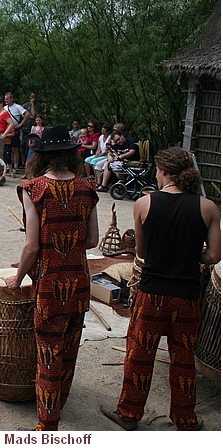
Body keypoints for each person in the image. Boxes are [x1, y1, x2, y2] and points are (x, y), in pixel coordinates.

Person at [100, 146, 220, 432]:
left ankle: (129, 414)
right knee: (182, 359)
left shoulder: (144, 204)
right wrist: (192, 255)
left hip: (152, 294)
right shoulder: (208, 207)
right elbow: (214, 256)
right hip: (187, 297)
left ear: (164, 172)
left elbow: (141, 253)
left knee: (139, 355)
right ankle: (185, 419)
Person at [5, 124, 99, 431]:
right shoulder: (88, 190)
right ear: (71, 154)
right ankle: (58, 402)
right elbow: (93, 240)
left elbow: (32, 246)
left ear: (42, 155)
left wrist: (18, 277)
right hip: (79, 283)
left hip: (48, 286)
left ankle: (47, 424)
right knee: (69, 351)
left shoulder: (34, 189)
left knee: (48, 355)